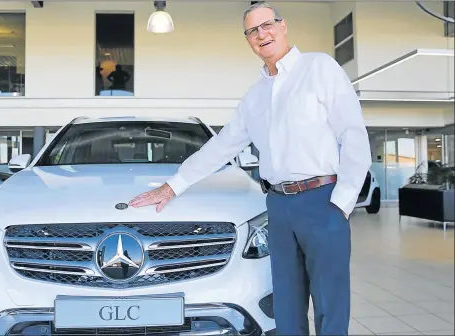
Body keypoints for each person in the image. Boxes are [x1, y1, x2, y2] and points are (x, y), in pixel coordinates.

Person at [129, 2, 371, 335]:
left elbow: (353, 135)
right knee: (287, 306)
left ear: (283, 26)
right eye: (252, 31)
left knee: (331, 306)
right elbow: (221, 146)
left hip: (322, 200)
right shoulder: (255, 97)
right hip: (278, 206)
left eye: (267, 25)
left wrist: (341, 204)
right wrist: (173, 186)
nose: (262, 34)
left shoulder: (320, 68)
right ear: (248, 40)